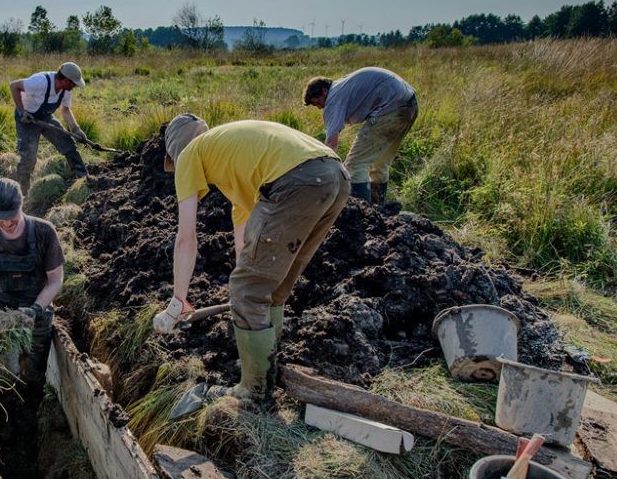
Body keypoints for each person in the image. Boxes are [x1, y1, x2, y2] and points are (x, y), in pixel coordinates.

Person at [153, 115, 350, 413]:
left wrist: (179, 300)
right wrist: (246, 291)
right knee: (273, 287)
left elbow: (186, 238)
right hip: (334, 175)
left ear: (176, 151)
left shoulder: (190, 153)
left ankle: (254, 393)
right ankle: (265, 369)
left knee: (249, 291)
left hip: (297, 181)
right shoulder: (236, 162)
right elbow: (246, 249)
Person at [0, 177, 65, 389]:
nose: (7, 223)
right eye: (0, 219)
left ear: (21, 205)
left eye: (12, 217)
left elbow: (55, 280)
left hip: (36, 311)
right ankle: (0, 410)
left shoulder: (44, 232)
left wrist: (35, 309)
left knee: (34, 376)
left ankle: (29, 407)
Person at [303, 67, 418, 207]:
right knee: (380, 163)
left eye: (318, 103)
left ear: (324, 91)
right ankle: (379, 210)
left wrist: (325, 172)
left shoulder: (333, 99)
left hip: (391, 109)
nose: (320, 108)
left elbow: (331, 145)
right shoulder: (342, 86)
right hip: (409, 106)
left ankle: (363, 216)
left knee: (355, 165)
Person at [10, 61, 89, 194]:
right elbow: (14, 85)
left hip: (45, 117)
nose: (75, 86)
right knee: (28, 157)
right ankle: (24, 193)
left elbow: (65, 110)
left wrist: (75, 128)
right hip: (27, 120)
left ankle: (84, 179)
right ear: (66, 80)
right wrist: (22, 111)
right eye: (74, 83)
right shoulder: (40, 82)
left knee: (68, 144)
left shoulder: (66, 90)